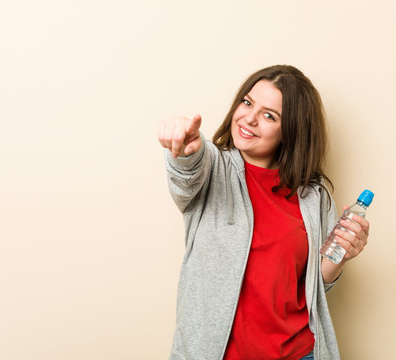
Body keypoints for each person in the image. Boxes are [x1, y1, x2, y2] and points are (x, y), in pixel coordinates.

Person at [158, 65, 370, 360]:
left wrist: (342, 253)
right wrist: (185, 150)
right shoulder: (213, 169)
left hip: (299, 354)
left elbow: (314, 286)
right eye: (247, 102)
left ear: (291, 131)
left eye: (269, 115)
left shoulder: (313, 194)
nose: (249, 119)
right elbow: (186, 175)